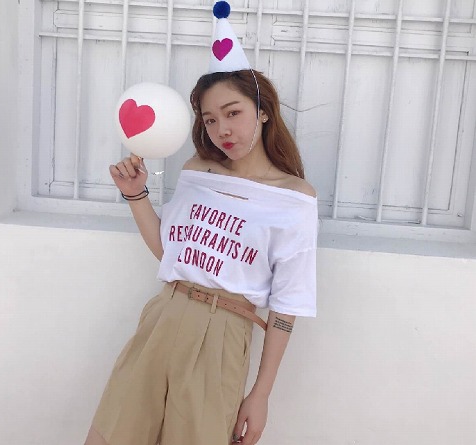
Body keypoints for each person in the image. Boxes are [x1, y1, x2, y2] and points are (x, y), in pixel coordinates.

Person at [84, 3, 317, 445]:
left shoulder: (294, 197)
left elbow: (286, 303)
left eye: (233, 113)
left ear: (262, 111)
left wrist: (261, 394)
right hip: (164, 315)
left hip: (224, 332)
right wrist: (136, 195)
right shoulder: (197, 170)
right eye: (210, 120)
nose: (221, 129)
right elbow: (170, 250)